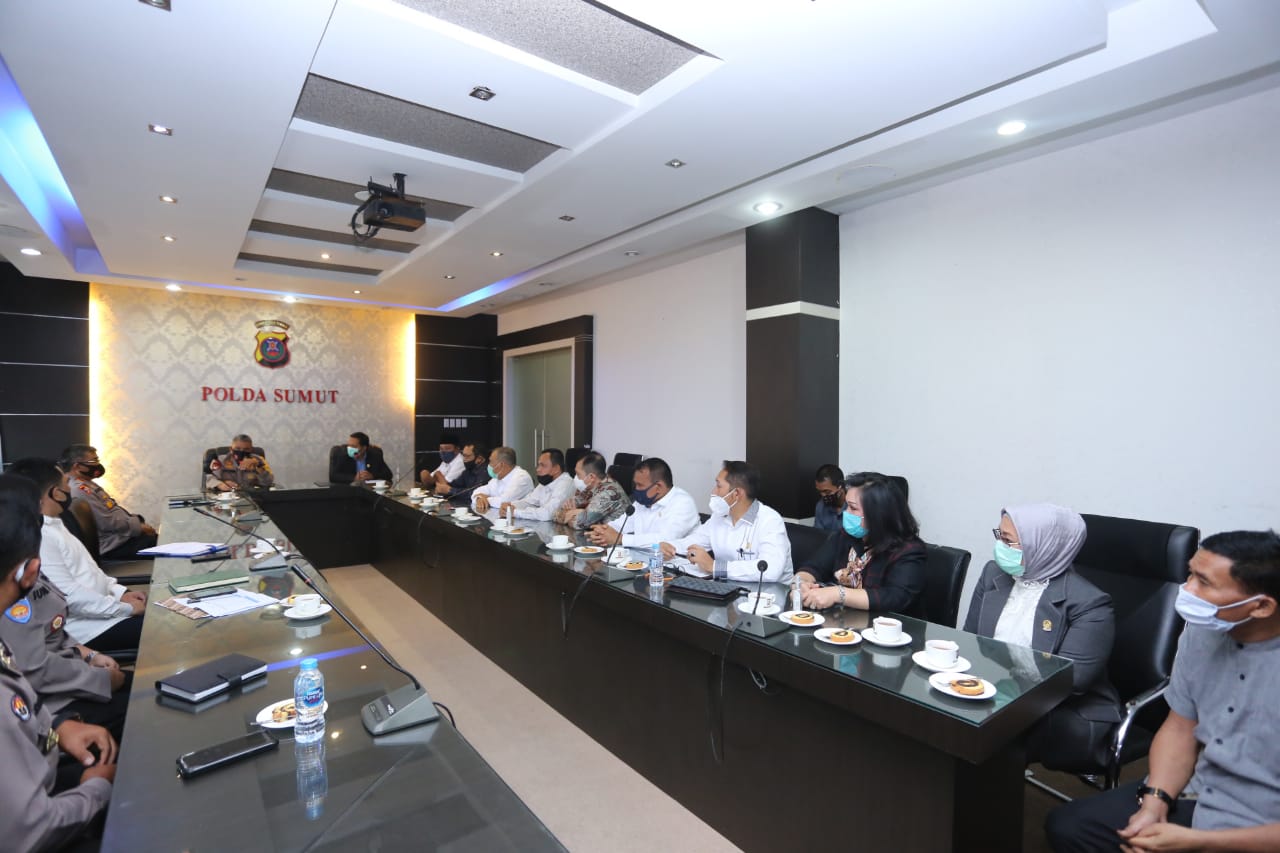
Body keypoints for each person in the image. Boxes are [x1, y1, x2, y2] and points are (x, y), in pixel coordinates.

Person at [1046, 529, 1280, 853]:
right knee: (1070, 827)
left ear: (1262, 606)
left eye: (1204, 582)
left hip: (1263, 822)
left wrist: (1200, 844)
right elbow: (1180, 728)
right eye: (1190, 574)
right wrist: (1154, 803)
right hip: (1202, 793)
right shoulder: (1202, 632)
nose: (1187, 590)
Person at [0, 474, 118, 851]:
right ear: (27, 571)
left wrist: (54, 729)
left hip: (48, 751)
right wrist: (98, 788)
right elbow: (32, 831)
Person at [964, 504, 1120, 769]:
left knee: (980, 734)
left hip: (1063, 706)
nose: (999, 547)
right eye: (999, 536)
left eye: (1008, 541)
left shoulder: (1091, 603)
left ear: (1043, 546)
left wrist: (1001, 692)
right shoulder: (993, 574)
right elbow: (971, 640)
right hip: (998, 686)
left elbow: (1071, 680)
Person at [9, 460, 145, 650]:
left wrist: (120, 594)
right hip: (86, 629)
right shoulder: (40, 535)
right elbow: (67, 596)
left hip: (103, 612)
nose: (70, 488)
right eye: (66, 483)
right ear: (56, 493)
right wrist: (124, 609)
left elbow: (89, 571)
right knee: (168, 628)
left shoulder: (54, 523)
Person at [0, 558, 132, 741]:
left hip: (67, 674)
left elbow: (49, 628)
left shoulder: (23, 566)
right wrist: (101, 680)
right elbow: (33, 667)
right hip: (47, 703)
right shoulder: (9, 585)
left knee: (147, 686)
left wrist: (85, 652)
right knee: (150, 706)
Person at [795, 472, 925, 616]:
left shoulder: (909, 550)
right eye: (847, 506)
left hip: (888, 626)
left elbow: (895, 597)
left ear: (878, 514)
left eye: (853, 508)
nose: (846, 512)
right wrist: (801, 584)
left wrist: (838, 594)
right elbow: (814, 566)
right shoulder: (845, 536)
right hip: (844, 622)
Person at [662, 460, 793, 584]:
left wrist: (714, 567)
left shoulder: (770, 521)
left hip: (770, 595)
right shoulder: (719, 516)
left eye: (719, 486)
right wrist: (668, 547)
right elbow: (694, 542)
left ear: (737, 494)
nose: (714, 492)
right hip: (728, 588)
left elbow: (770, 570)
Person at [61, 444, 157, 560]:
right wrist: (138, 527)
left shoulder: (86, 483)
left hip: (122, 539)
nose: (98, 465)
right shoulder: (79, 489)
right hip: (115, 546)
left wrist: (136, 522)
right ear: (77, 466)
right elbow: (106, 522)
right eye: (94, 461)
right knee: (165, 547)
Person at [587, 457, 700, 549]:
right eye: (635, 484)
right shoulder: (643, 501)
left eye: (640, 485)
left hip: (676, 564)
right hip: (641, 559)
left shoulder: (683, 503)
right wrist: (603, 531)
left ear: (658, 486)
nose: (636, 489)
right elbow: (622, 524)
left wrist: (621, 539)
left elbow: (666, 539)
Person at [554, 451, 630, 529]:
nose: (575, 478)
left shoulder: (608, 493)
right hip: (593, 534)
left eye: (578, 474)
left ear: (591, 477)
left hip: (616, 535)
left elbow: (577, 524)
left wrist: (575, 512)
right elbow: (556, 514)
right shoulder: (589, 487)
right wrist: (578, 512)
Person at [501, 448, 575, 522]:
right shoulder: (546, 481)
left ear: (556, 468)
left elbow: (548, 514)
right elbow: (530, 502)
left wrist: (515, 512)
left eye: (543, 465)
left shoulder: (566, 484)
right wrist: (510, 506)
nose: (538, 469)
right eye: (538, 465)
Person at [472, 447, 534, 514]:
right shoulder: (497, 477)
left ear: (501, 465)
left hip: (520, 519)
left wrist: (486, 499)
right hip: (499, 516)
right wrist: (479, 498)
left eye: (491, 461)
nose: (488, 465)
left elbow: (504, 502)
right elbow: (477, 492)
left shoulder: (522, 477)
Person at [206, 434, 273, 491]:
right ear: (231, 449)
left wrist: (259, 466)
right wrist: (220, 484)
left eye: (246, 449)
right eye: (237, 448)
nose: (241, 451)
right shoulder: (221, 460)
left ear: (251, 450)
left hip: (251, 496)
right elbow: (209, 479)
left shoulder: (258, 460)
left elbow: (267, 483)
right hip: (228, 496)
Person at [329, 431, 393, 484]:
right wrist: (354, 478)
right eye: (349, 445)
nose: (350, 448)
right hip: (349, 490)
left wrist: (372, 476)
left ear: (364, 448)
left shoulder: (375, 455)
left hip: (369, 490)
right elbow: (333, 476)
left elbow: (388, 474)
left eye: (354, 446)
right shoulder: (341, 454)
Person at [813, 464, 845, 533]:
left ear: (840, 486)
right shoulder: (821, 506)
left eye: (827, 491)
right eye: (820, 491)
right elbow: (818, 534)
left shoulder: (854, 507)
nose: (823, 495)